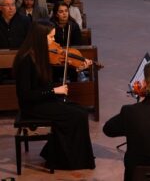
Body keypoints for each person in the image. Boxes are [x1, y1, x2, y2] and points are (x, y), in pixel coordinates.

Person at [12, 19, 95, 170]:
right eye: (50, 37)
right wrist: (54, 91)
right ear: (39, 37)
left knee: (81, 111)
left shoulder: (39, 53)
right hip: (32, 106)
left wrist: (75, 68)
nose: (53, 41)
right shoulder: (26, 60)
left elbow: (49, 75)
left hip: (43, 100)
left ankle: (70, 155)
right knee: (76, 116)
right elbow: (26, 95)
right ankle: (63, 159)